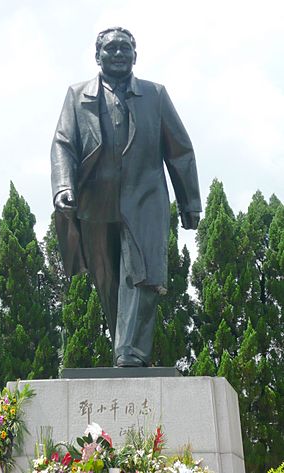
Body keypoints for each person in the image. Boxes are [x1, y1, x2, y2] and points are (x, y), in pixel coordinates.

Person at [51, 27, 202, 367]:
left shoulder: (155, 95)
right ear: (97, 56)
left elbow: (179, 150)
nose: (118, 54)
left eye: (125, 48)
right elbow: (63, 143)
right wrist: (63, 186)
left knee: (141, 274)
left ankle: (130, 352)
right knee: (107, 281)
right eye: (111, 48)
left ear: (135, 55)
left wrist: (189, 202)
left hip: (145, 200)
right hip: (95, 202)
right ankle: (122, 345)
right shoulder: (77, 96)